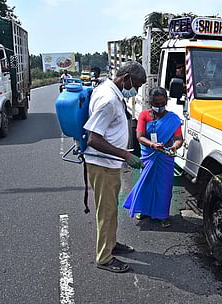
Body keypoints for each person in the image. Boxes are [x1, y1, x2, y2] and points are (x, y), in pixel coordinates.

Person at [83, 61, 146, 273]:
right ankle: (104, 257)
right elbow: (93, 138)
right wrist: (126, 154)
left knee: (111, 209)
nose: (135, 90)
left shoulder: (112, 91)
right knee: (106, 211)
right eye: (136, 84)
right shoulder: (108, 99)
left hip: (110, 163)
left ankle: (111, 244)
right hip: (102, 165)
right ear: (126, 77)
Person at [123, 87, 183, 228]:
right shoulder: (144, 115)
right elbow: (140, 137)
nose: (160, 107)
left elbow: (179, 138)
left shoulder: (173, 118)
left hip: (165, 157)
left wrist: (175, 146)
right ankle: (143, 210)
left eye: (162, 104)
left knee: (164, 187)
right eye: (156, 104)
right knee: (146, 183)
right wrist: (152, 145)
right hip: (148, 155)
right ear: (150, 103)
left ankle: (163, 215)